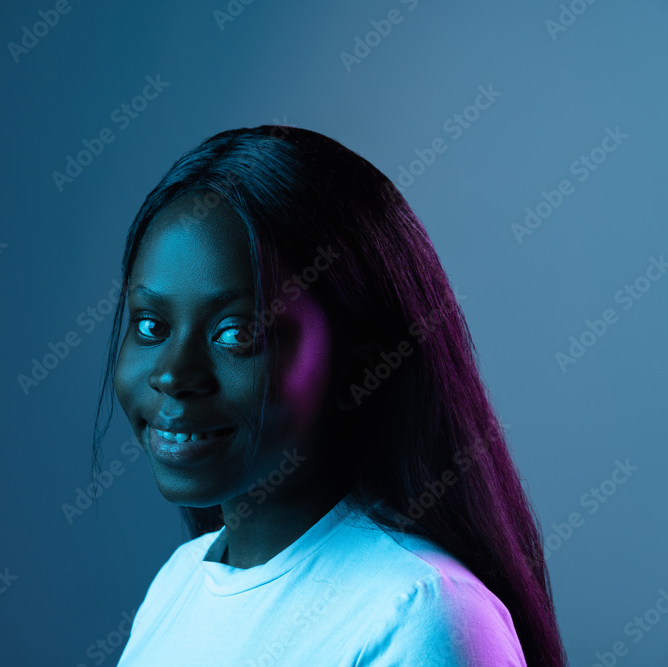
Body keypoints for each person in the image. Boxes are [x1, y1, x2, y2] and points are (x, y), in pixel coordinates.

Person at [90, 126, 567, 665]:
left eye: (238, 333)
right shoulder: (177, 584)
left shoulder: (422, 616)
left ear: (357, 365)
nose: (175, 375)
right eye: (151, 326)